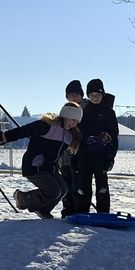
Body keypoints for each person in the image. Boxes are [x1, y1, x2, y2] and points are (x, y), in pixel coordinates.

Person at [0, 102, 82, 218]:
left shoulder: (69, 136)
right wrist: (6, 136)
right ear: (65, 115)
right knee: (53, 191)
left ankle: (43, 210)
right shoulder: (47, 126)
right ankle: (22, 198)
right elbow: (26, 130)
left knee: (63, 190)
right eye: (73, 120)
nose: (74, 124)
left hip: (50, 167)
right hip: (34, 165)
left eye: (77, 122)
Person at [76, 78, 118, 213]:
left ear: (102, 95)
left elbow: (114, 137)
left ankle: (103, 213)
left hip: (102, 157)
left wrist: (111, 156)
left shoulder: (109, 112)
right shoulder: (82, 112)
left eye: (98, 95)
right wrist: (75, 156)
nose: (95, 98)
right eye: (92, 95)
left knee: (102, 188)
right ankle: (82, 212)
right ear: (88, 96)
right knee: (83, 188)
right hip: (85, 157)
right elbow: (77, 135)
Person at [59, 80, 84, 217]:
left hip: (79, 157)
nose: (73, 97)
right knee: (66, 186)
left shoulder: (84, 111)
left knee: (77, 186)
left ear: (81, 96)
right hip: (65, 157)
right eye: (70, 95)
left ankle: (78, 211)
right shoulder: (65, 111)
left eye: (76, 95)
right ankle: (67, 210)